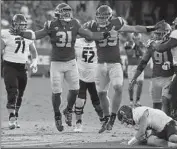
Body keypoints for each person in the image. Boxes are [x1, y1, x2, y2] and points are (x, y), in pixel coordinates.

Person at [9, 3, 111, 132]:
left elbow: (88, 34)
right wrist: (22, 34)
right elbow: (36, 35)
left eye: (69, 12)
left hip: (71, 62)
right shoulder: (51, 25)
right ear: (58, 14)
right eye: (64, 12)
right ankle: (57, 115)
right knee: (57, 92)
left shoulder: (74, 23)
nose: (67, 14)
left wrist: (102, 35)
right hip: (56, 63)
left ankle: (68, 110)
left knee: (75, 89)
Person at [86, 4, 165, 133]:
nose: (101, 20)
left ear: (110, 17)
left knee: (118, 87)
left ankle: (112, 118)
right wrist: (98, 35)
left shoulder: (116, 23)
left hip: (115, 63)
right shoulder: (92, 25)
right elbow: (85, 35)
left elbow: (133, 28)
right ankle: (106, 118)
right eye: (99, 17)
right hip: (100, 64)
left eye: (104, 17)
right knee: (101, 93)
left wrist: (151, 27)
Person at [1, 14, 38, 130]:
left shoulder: (28, 35)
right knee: (12, 91)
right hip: (9, 66)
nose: (22, 27)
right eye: (20, 25)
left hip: (23, 67)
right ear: (14, 24)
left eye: (24, 25)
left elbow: (33, 52)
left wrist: (35, 62)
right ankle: (11, 117)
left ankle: (15, 115)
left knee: (20, 94)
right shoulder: (6, 34)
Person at [129, 22, 174, 116]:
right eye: (156, 33)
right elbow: (143, 62)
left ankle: (169, 125)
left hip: (169, 78)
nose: (156, 35)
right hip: (155, 78)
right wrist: (134, 78)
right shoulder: (152, 45)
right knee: (156, 105)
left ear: (167, 33)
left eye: (159, 33)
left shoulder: (172, 44)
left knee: (166, 102)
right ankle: (158, 128)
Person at [74, 27, 103, 132]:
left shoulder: (99, 42)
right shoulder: (77, 42)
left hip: (95, 76)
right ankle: (78, 123)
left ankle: (103, 121)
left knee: (97, 101)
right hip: (80, 75)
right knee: (80, 101)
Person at [151, 18, 177, 120]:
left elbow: (161, 48)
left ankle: (170, 125)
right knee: (168, 98)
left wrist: (153, 44)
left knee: (171, 98)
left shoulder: (175, 33)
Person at [124, 33, 145, 107]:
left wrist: (137, 45)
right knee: (131, 84)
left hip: (139, 66)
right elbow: (129, 54)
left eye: (138, 39)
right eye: (135, 39)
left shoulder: (142, 44)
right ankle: (131, 100)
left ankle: (138, 100)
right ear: (132, 38)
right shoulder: (127, 43)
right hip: (131, 66)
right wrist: (134, 46)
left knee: (140, 83)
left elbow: (143, 53)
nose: (137, 40)